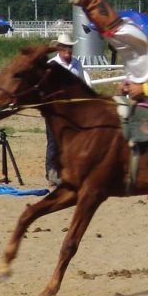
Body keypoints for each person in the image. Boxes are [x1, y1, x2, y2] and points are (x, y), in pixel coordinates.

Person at [45, 33, 92, 186]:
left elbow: (85, 84)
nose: (68, 50)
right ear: (59, 48)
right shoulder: (51, 65)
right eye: (65, 47)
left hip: (73, 112)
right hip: (55, 111)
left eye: (70, 47)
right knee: (54, 141)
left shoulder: (77, 65)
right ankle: (52, 172)